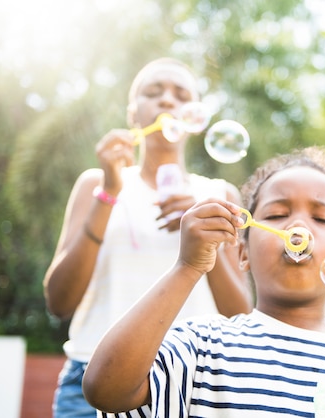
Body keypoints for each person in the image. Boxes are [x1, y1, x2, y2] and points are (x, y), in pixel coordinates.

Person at [82, 146, 325, 417]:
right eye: (277, 214)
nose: (298, 227)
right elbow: (106, 389)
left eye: (323, 218)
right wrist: (188, 267)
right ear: (242, 254)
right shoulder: (203, 344)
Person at [43, 57, 253, 418]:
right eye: (153, 93)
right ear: (132, 113)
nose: (167, 101)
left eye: (181, 94)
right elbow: (59, 301)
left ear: (195, 118)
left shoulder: (219, 195)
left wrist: (206, 238)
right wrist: (109, 192)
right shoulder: (96, 184)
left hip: (194, 384)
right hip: (91, 378)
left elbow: (242, 318)